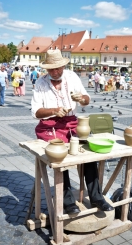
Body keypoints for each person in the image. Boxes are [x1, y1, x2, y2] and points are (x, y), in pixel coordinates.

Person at [31, 49, 114, 215]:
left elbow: (86, 99)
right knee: (61, 159)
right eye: (51, 69)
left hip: (71, 123)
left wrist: (81, 99)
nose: (55, 72)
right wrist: (53, 110)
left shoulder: (72, 77)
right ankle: (68, 203)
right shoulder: (40, 83)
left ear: (63, 65)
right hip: (50, 126)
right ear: (46, 68)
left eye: (58, 68)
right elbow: (36, 112)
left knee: (88, 157)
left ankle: (97, 198)